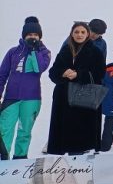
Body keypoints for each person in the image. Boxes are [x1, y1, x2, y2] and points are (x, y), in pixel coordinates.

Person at [47, 21, 106, 155]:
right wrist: (63, 73)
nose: (79, 35)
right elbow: (53, 72)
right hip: (64, 99)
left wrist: (79, 75)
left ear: (87, 34)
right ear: (72, 34)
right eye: (76, 32)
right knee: (64, 138)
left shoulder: (95, 51)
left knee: (80, 141)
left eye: (83, 32)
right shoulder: (65, 49)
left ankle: (79, 166)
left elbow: (100, 73)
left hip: (83, 99)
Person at [0, 17, 51, 160]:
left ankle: (19, 160)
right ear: (24, 35)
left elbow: (39, 68)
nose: (32, 37)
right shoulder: (13, 52)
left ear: (40, 36)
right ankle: (3, 160)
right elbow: (2, 74)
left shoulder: (44, 53)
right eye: (29, 34)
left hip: (32, 99)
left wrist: (34, 50)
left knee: (24, 131)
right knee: (4, 130)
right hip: (11, 98)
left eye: (35, 35)